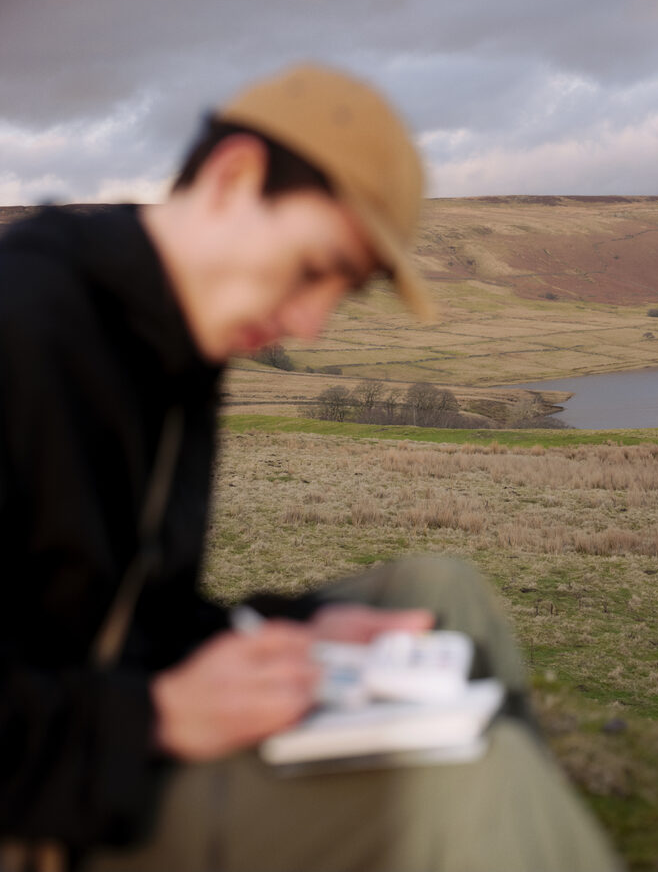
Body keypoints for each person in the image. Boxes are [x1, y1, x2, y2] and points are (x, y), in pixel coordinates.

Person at [0, 65, 621, 872]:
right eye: (312, 267)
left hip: (102, 723)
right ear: (233, 177)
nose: (310, 323)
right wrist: (155, 717)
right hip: (50, 806)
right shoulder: (25, 323)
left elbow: (129, 616)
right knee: (466, 785)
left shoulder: (169, 344)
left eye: (342, 291)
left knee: (435, 594)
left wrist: (286, 631)